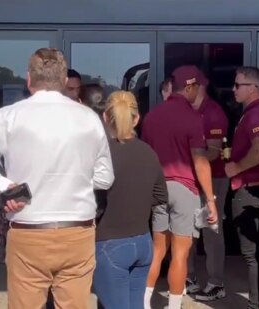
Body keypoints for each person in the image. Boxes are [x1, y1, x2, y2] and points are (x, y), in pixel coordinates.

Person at [0, 48, 114, 309]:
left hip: (28, 231)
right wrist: (76, 177)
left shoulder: (8, 116)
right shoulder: (89, 118)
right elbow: (105, 179)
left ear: (29, 79)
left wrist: (8, 187)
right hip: (77, 231)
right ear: (64, 82)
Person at [142, 65, 218, 309]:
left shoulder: (152, 116)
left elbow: (147, 155)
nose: (200, 91)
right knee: (180, 254)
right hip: (184, 188)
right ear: (189, 86)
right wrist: (211, 200)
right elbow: (200, 161)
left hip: (157, 188)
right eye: (198, 87)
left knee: (157, 250)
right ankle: (173, 306)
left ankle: (143, 303)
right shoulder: (193, 118)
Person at [92, 91, 167, 309]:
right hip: (142, 242)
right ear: (136, 118)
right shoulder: (148, 152)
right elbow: (161, 195)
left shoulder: (102, 155)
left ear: (105, 117)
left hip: (110, 241)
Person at [226, 66, 259, 309]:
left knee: (253, 255)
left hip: (250, 190)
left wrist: (236, 167)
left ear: (254, 88)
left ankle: (257, 304)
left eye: (238, 85)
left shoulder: (256, 114)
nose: (233, 89)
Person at [186, 71, 229, 301]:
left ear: (199, 86)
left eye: (188, 86)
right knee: (189, 227)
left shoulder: (213, 112)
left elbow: (213, 152)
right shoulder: (186, 110)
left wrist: (185, 161)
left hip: (214, 178)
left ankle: (216, 282)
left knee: (210, 229)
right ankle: (189, 276)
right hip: (190, 177)